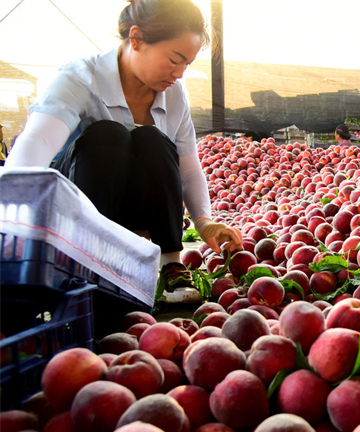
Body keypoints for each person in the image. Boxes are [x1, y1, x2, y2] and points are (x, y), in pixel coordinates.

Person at [4, 0, 242, 291]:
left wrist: (203, 221)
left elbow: (188, 168)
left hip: (135, 210)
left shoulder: (175, 95)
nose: (179, 74)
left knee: (154, 140)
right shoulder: (80, 78)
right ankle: (89, 259)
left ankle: (171, 264)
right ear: (136, 39)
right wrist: (12, 206)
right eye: (174, 59)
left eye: (186, 64)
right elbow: (39, 140)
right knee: (108, 136)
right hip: (77, 211)